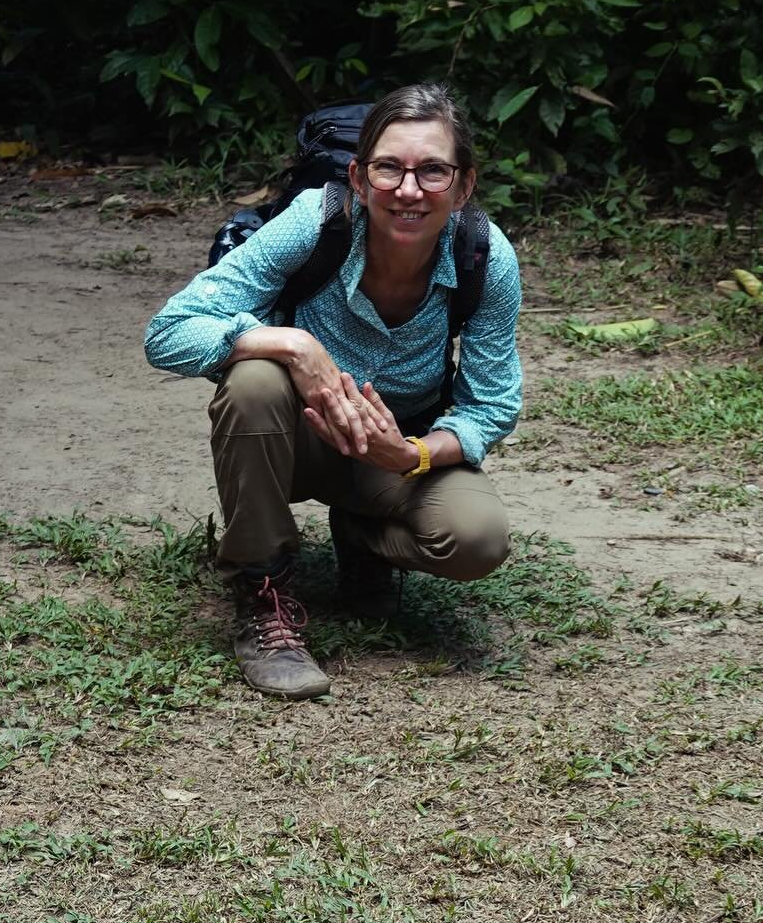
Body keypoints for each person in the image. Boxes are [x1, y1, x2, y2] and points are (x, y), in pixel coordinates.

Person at [144, 83, 523, 699]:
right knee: (256, 377)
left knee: (475, 539)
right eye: (388, 169)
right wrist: (292, 344)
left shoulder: (483, 255)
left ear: (464, 186)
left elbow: (492, 403)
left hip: (391, 451)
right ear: (357, 176)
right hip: (287, 442)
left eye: (432, 171)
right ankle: (262, 592)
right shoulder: (316, 223)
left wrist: (415, 455)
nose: (408, 190)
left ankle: (359, 534)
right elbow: (168, 332)